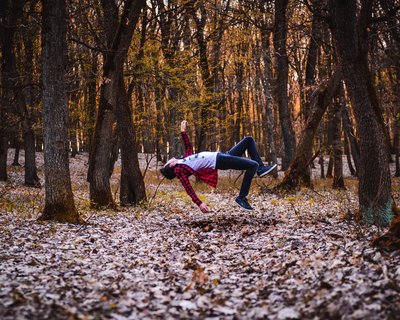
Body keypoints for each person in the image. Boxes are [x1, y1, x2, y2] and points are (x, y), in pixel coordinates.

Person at [160, 120, 277, 212]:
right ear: (170, 165)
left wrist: (183, 131)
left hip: (222, 156)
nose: (171, 159)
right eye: (168, 161)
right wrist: (199, 203)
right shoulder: (179, 170)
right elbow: (188, 188)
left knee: (249, 140)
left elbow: (188, 147)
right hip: (219, 160)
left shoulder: (183, 161)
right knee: (253, 165)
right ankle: (241, 197)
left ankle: (261, 169)